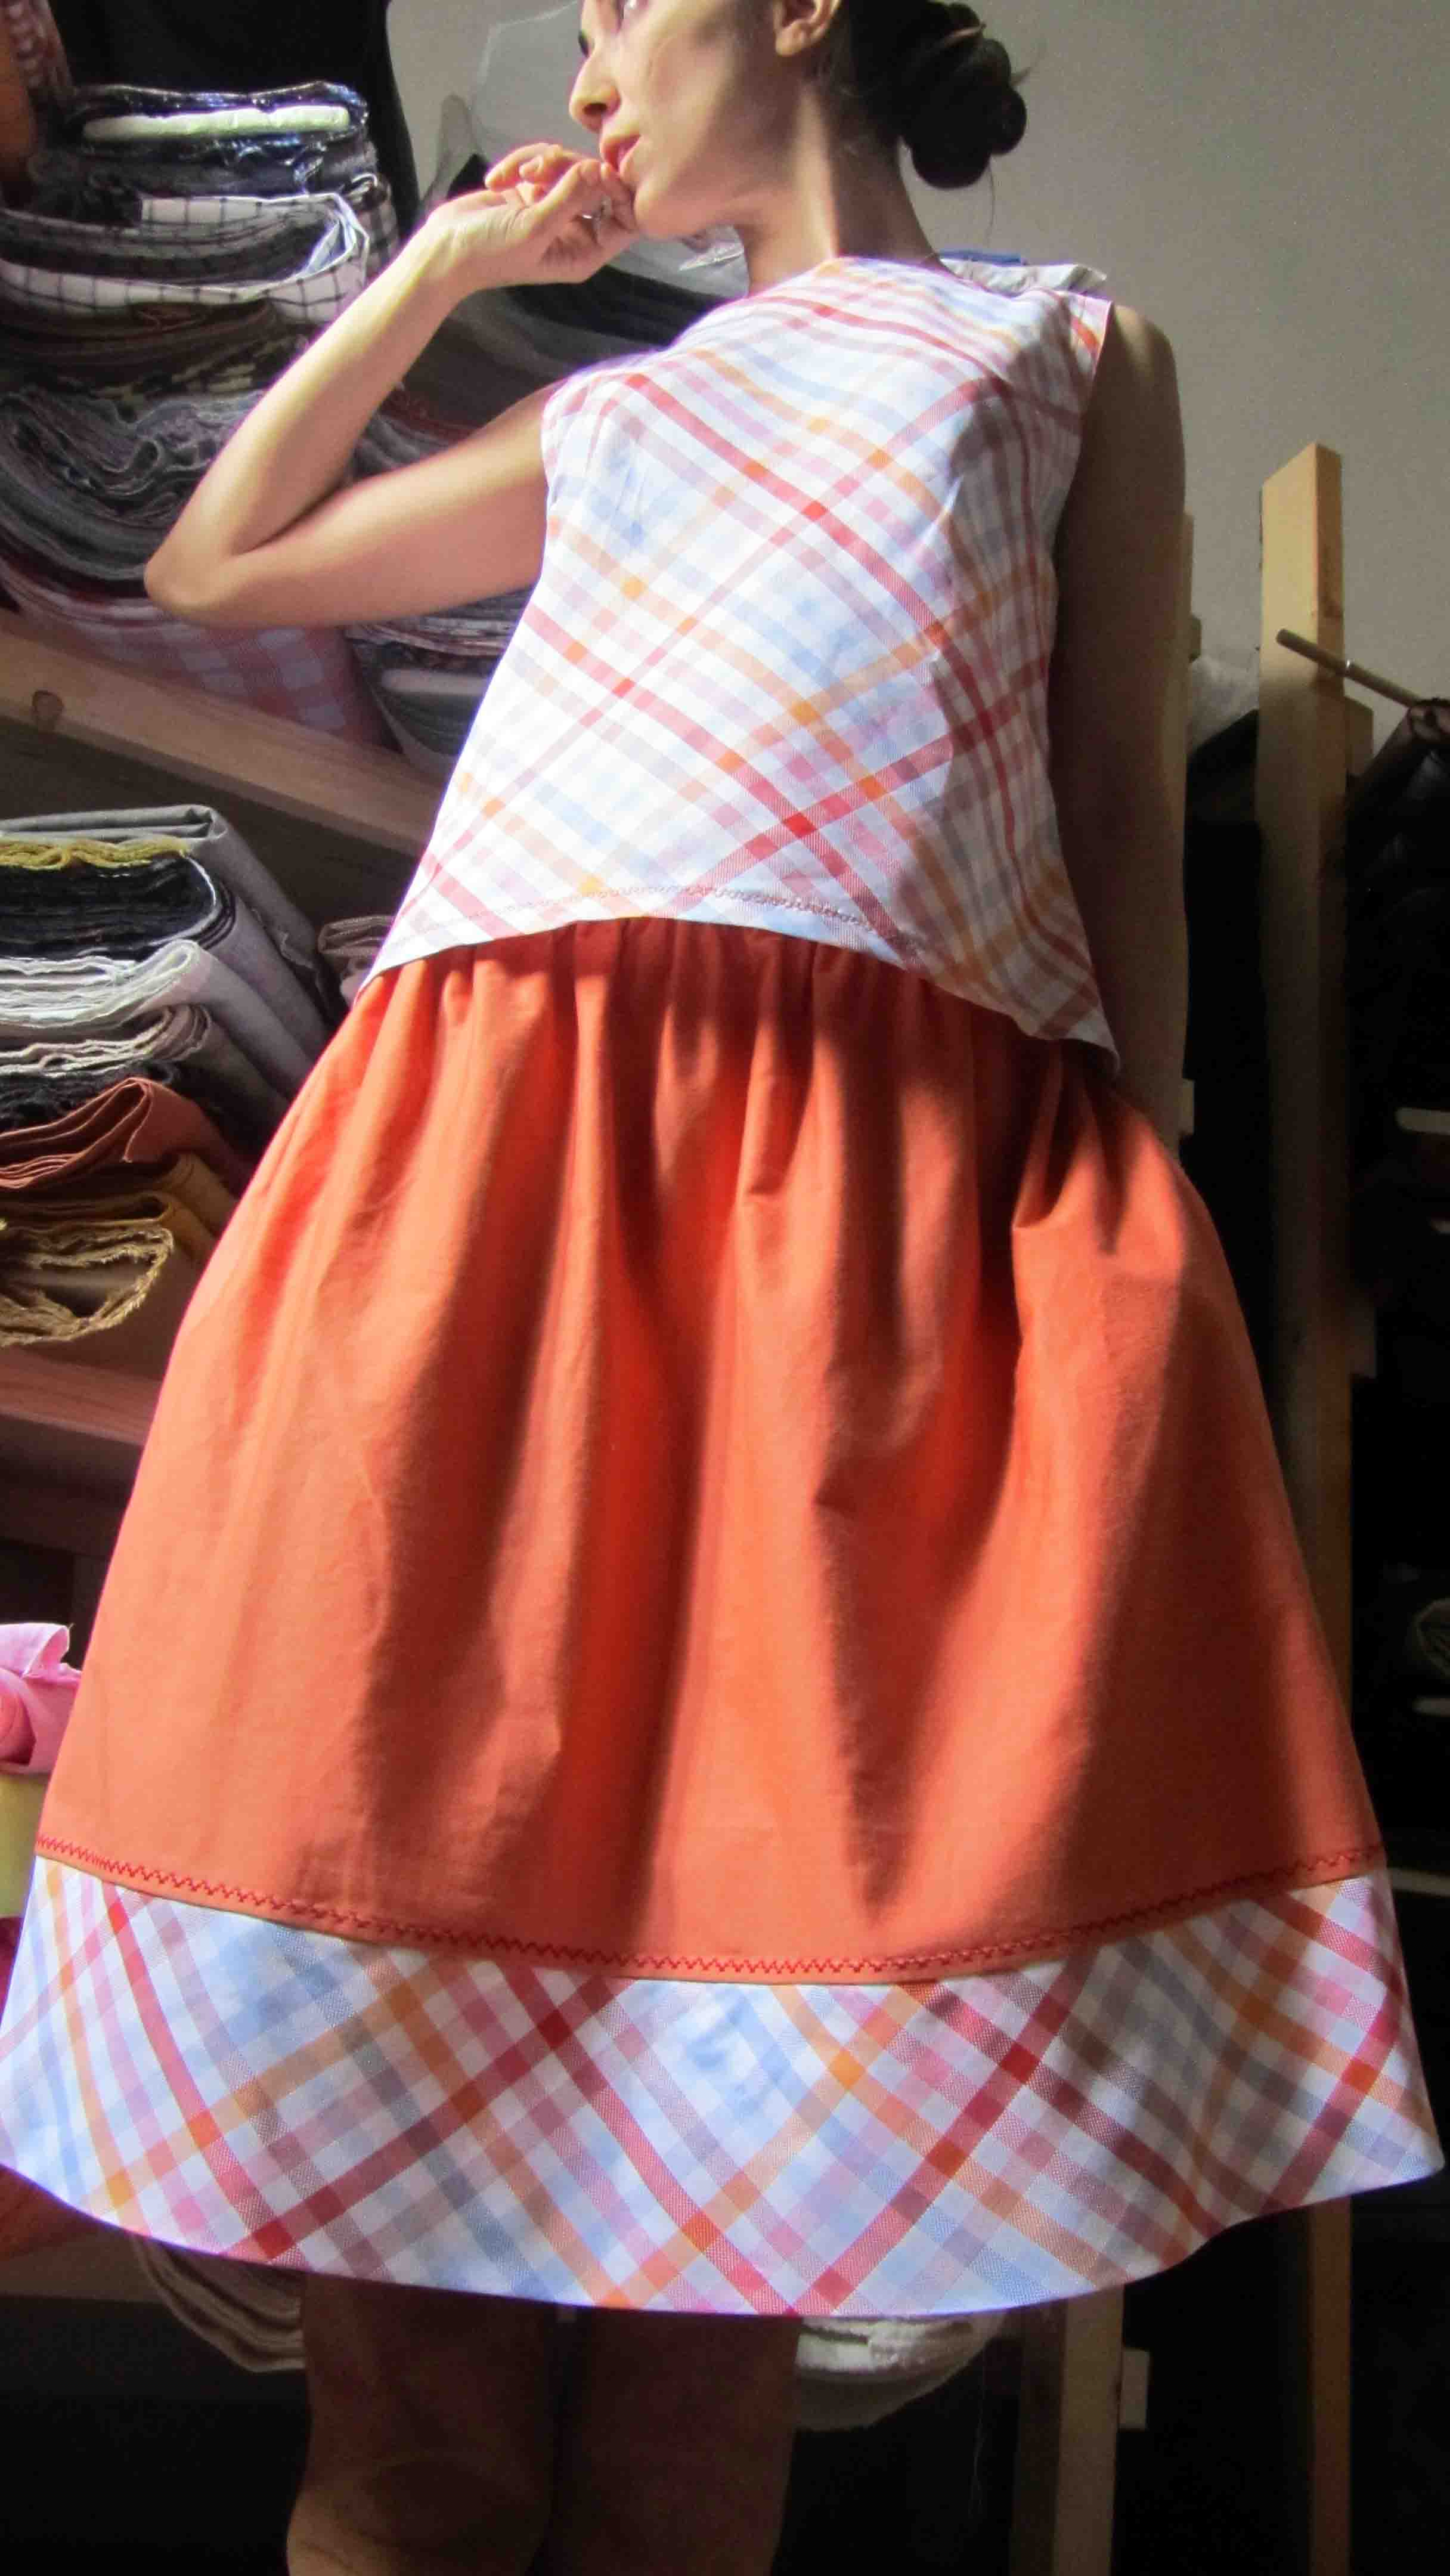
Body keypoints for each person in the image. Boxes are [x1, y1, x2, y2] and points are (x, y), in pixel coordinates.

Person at [0, 5, 1440, 2573]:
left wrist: (1136, 1212)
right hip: (485, 1207)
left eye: (612, 13)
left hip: (863, 1260)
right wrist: (435, 277)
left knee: (696, 2425)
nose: (582, 71)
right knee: (409, 2423)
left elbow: (1114, 808)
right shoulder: (611, 412)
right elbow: (210, 567)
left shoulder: (1060, 350)